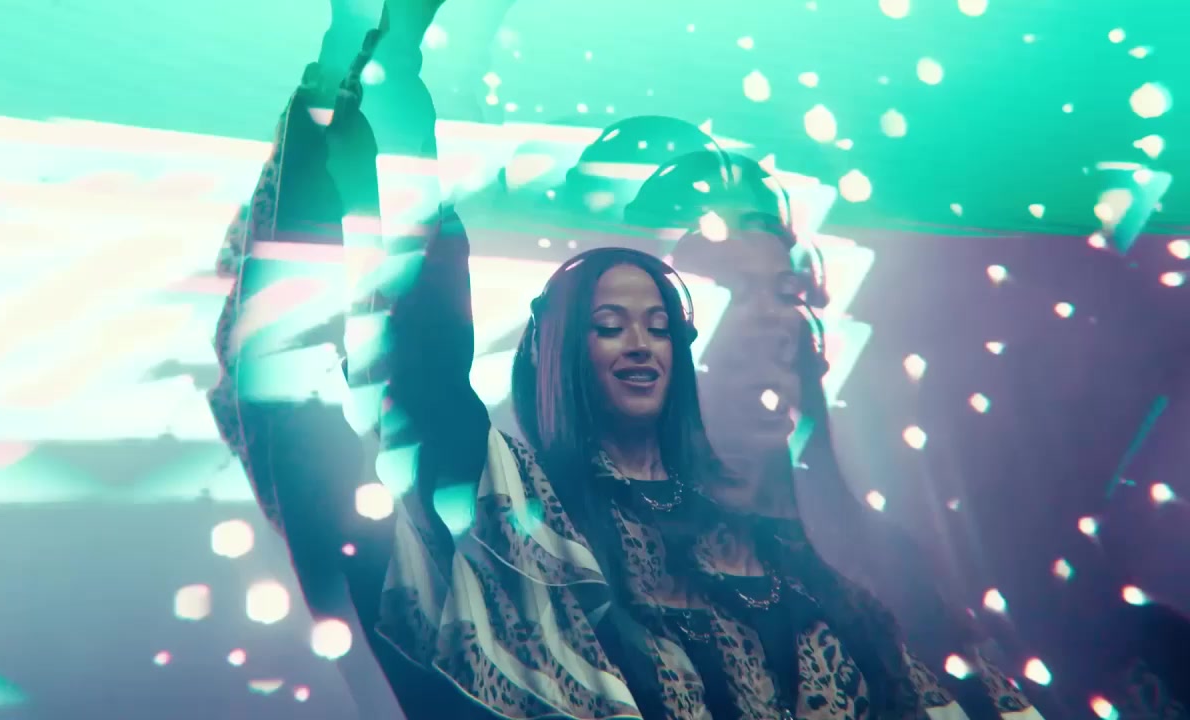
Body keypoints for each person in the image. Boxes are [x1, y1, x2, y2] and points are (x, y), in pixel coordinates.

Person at [209, 22, 1047, 720]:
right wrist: (366, 97)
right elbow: (341, 393)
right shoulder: (536, 537)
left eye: (784, 294)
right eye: (721, 294)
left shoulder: (864, 565)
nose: (770, 324)